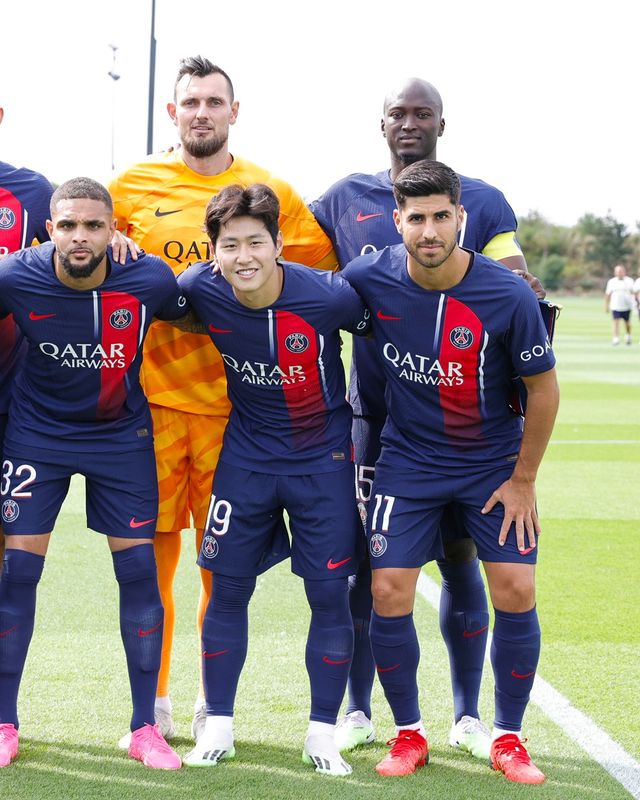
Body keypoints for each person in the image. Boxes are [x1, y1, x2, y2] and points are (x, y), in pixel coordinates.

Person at [109, 56, 337, 743]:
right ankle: (152, 705)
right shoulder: (129, 188)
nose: (202, 112)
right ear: (172, 113)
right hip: (149, 406)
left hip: (237, 419)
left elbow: (319, 278)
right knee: (150, 565)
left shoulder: (273, 192)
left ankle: (215, 703)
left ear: (234, 112)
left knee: (223, 571)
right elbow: (76, 248)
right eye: (191, 102)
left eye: (214, 102)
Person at [310, 77, 539, 759]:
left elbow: (516, 278)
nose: (409, 123)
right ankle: (361, 709)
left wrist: (521, 292)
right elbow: (294, 265)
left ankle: (469, 717)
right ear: (380, 123)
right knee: (370, 570)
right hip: (377, 422)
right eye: (398, 114)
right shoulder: (343, 199)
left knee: (465, 560)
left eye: (422, 113)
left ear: (442, 122)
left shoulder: (483, 198)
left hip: (470, 429)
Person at [342, 160, 559, 784]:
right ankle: (410, 733)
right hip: (408, 462)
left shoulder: (506, 294)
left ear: (461, 217)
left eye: (442, 216)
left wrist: (523, 480)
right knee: (388, 591)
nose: (430, 230)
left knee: (514, 588)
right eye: (417, 218)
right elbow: (300, 295)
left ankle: (508, 738)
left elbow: (543, 390)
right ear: (397, 221)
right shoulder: (367, 278)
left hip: (491, 465)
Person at [172, 184, 369, 775]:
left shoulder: (328, 296)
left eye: (256, 242)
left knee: (328, 595)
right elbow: (154, 297)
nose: (244, 256)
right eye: (230, 244)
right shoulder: (199, 287)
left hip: (322, 465)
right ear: (213, 251)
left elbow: (382, 330)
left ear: (280, 244)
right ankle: (219, 727)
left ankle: (322, 734)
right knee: (226, 590)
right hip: (246, 463)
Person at [0, 177, 187, 770]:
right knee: (17, 576)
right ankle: (4, 723)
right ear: (48, 230)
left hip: (119, 439)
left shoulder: (148, 278)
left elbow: (205, 311)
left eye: (93, 225)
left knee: (139, 575)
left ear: (113, 230)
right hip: (37, 437)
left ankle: (144, 728)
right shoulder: (14, 276)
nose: (79, 236)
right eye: (68, 225)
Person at [0, 106, 54, 567]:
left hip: (8, 396)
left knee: (6, 527)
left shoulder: (31, 192)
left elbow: (79, 239)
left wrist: (116, 241)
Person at [604, 264, 634, 345]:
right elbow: (607, 294)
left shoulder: (629, 281)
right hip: (616, 305)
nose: (619, 273)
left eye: (621, 271)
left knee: (627, 322)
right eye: (617, 271)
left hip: (627, 306)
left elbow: (633, 292)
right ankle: (616, 338)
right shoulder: (612, 282)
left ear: (624, 272)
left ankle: (628, 335)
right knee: (615, 321)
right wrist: (606, 306)